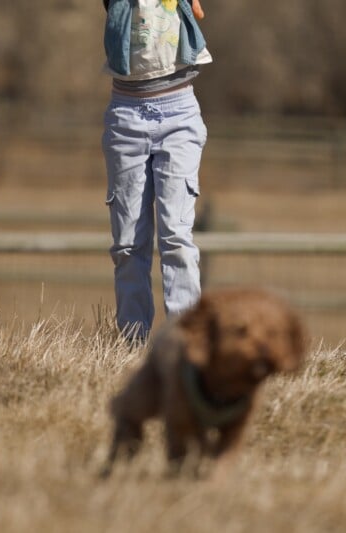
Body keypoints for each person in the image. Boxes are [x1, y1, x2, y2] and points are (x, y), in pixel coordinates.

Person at [101, 0, 211, 341]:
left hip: (179, 110)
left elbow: (199, 13)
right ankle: (132, 343)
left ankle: (185, 345)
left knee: (176, 237)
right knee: (128, 244)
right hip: (126, 116)